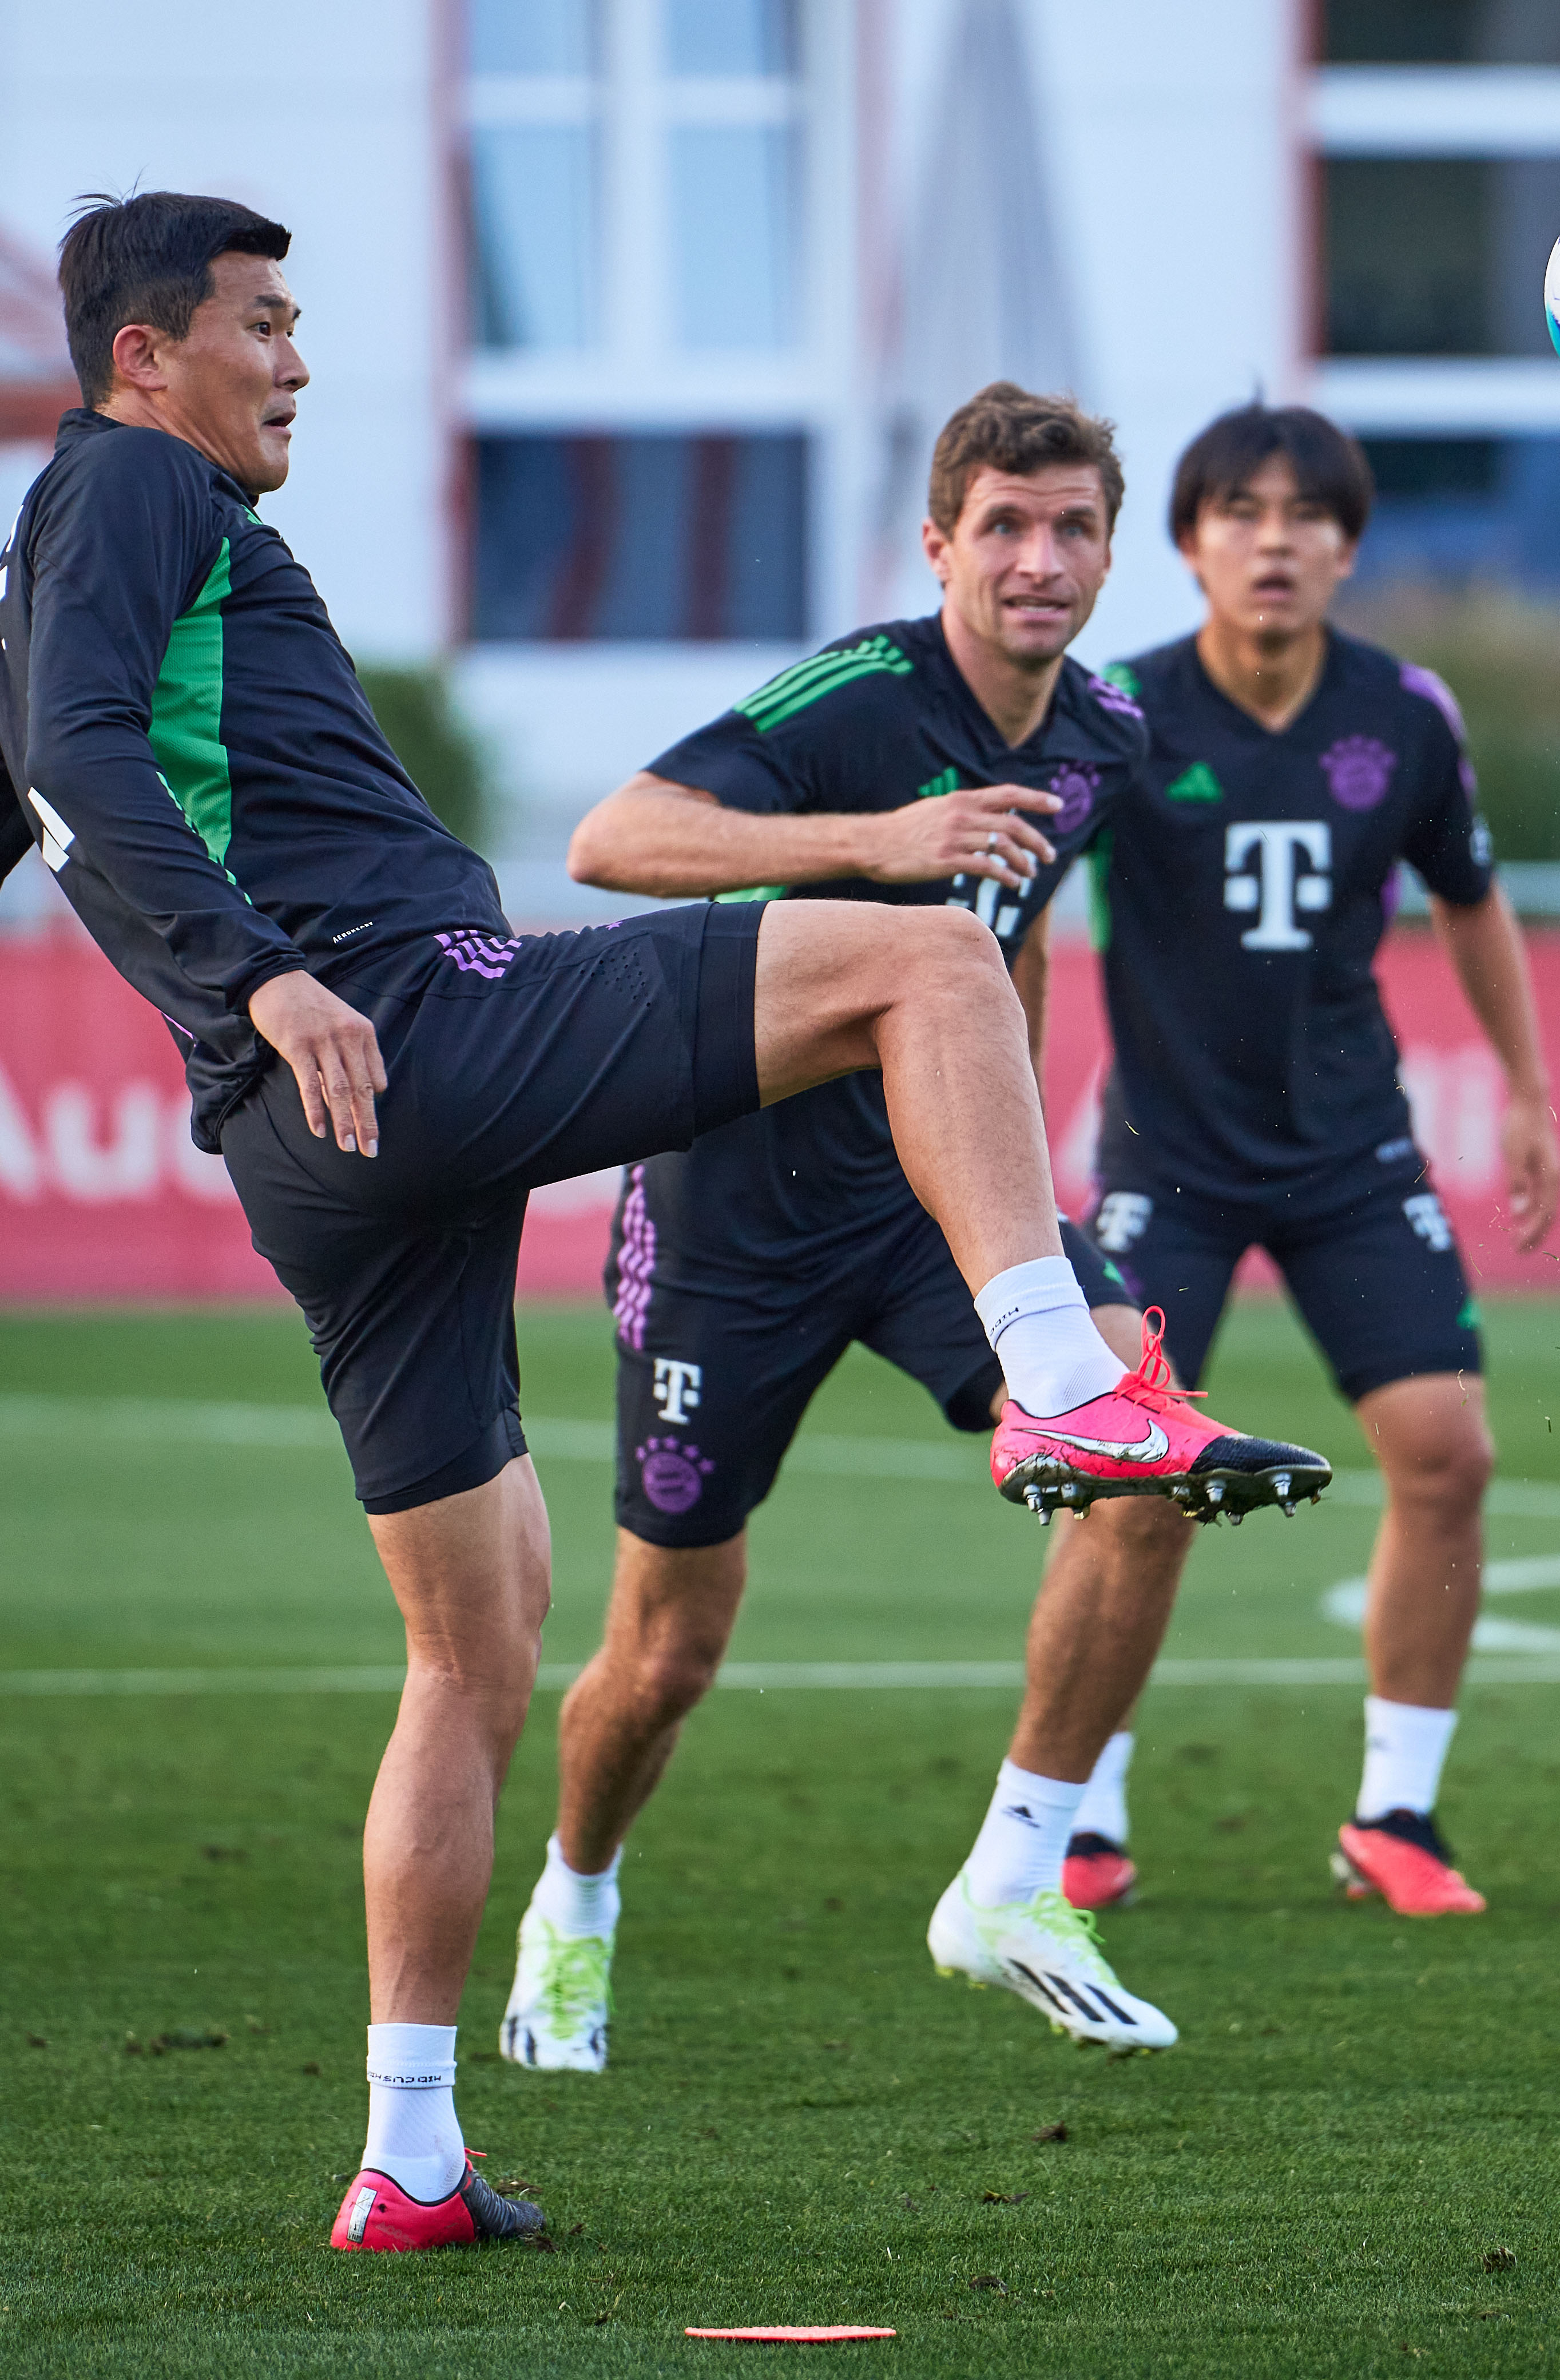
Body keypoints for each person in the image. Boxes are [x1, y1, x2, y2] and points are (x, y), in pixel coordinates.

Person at [0, 206, 1300, 2255]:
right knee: (935, 969)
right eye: (264, 325)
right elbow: (66, 768)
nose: (296, 360)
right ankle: (1067, 1384)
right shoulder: (141, 481)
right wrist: (262, 970)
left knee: (476, 1644)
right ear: (147, 358)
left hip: (303, 1139)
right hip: (396, 1019)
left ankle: (407, 2151)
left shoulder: (37, 563)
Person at [498, 383, 1325, 2073]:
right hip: (729, 1213)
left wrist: (1019, 1146)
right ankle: (572, 1903)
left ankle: (1015, 1882)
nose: (1039, 560)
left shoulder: (1094, 734)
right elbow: (613, 837)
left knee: (1148, 1459)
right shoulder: (862, 699)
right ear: (938, 544)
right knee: (665, 1654)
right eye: (1003, 528)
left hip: (934, 1207)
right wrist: (880, 844)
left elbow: (1004, 957)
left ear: (1109, 549)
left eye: (1071, 527)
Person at [1038, 404, 1560, 1922]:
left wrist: (1527, 1089)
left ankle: (1394, 1814)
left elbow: (1469, 898)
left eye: (1307, 513)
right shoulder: (1116, 713)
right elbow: (1016, 905)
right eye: (1240, 510)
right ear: (1191, 539)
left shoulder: (1401, 714)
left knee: (1448, 1456)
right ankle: (1083, 1815)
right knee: (1126, 1479)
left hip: (1348, 1153)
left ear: (1348, 541)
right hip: (1165, 1158)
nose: (1275, 538)